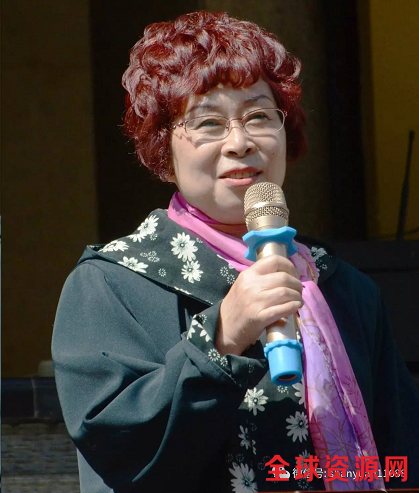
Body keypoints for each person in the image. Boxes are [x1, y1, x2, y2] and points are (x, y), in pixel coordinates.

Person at [52, 11, 419, 492]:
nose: (240, 142)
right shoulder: (110, 286)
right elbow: (118, 452)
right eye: (208, 122)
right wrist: (222, 338)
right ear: (164, 149)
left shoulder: (343, 288)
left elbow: (402, 459)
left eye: (259, 116)